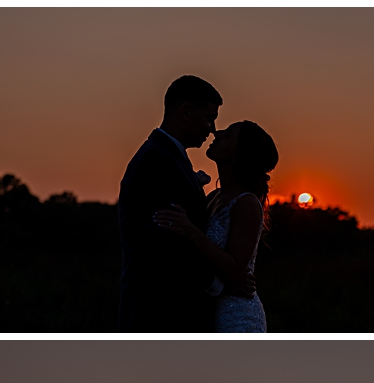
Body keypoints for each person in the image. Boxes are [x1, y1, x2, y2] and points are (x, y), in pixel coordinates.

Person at [116, 75, 254, 332]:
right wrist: (220, 286)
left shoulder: (168, 158)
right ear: (185, 112)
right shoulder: (156, 161)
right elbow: (165, 246)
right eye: (209, 118)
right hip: (160, 313)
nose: (212, 128)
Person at [155, 120, 278, 332]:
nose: (217, 133)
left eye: (228, 135)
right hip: (208, 310)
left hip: (236, 316)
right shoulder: (214, 197)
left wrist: (191, 231)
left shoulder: (246, 203)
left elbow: (234, 269)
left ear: (239, 153)